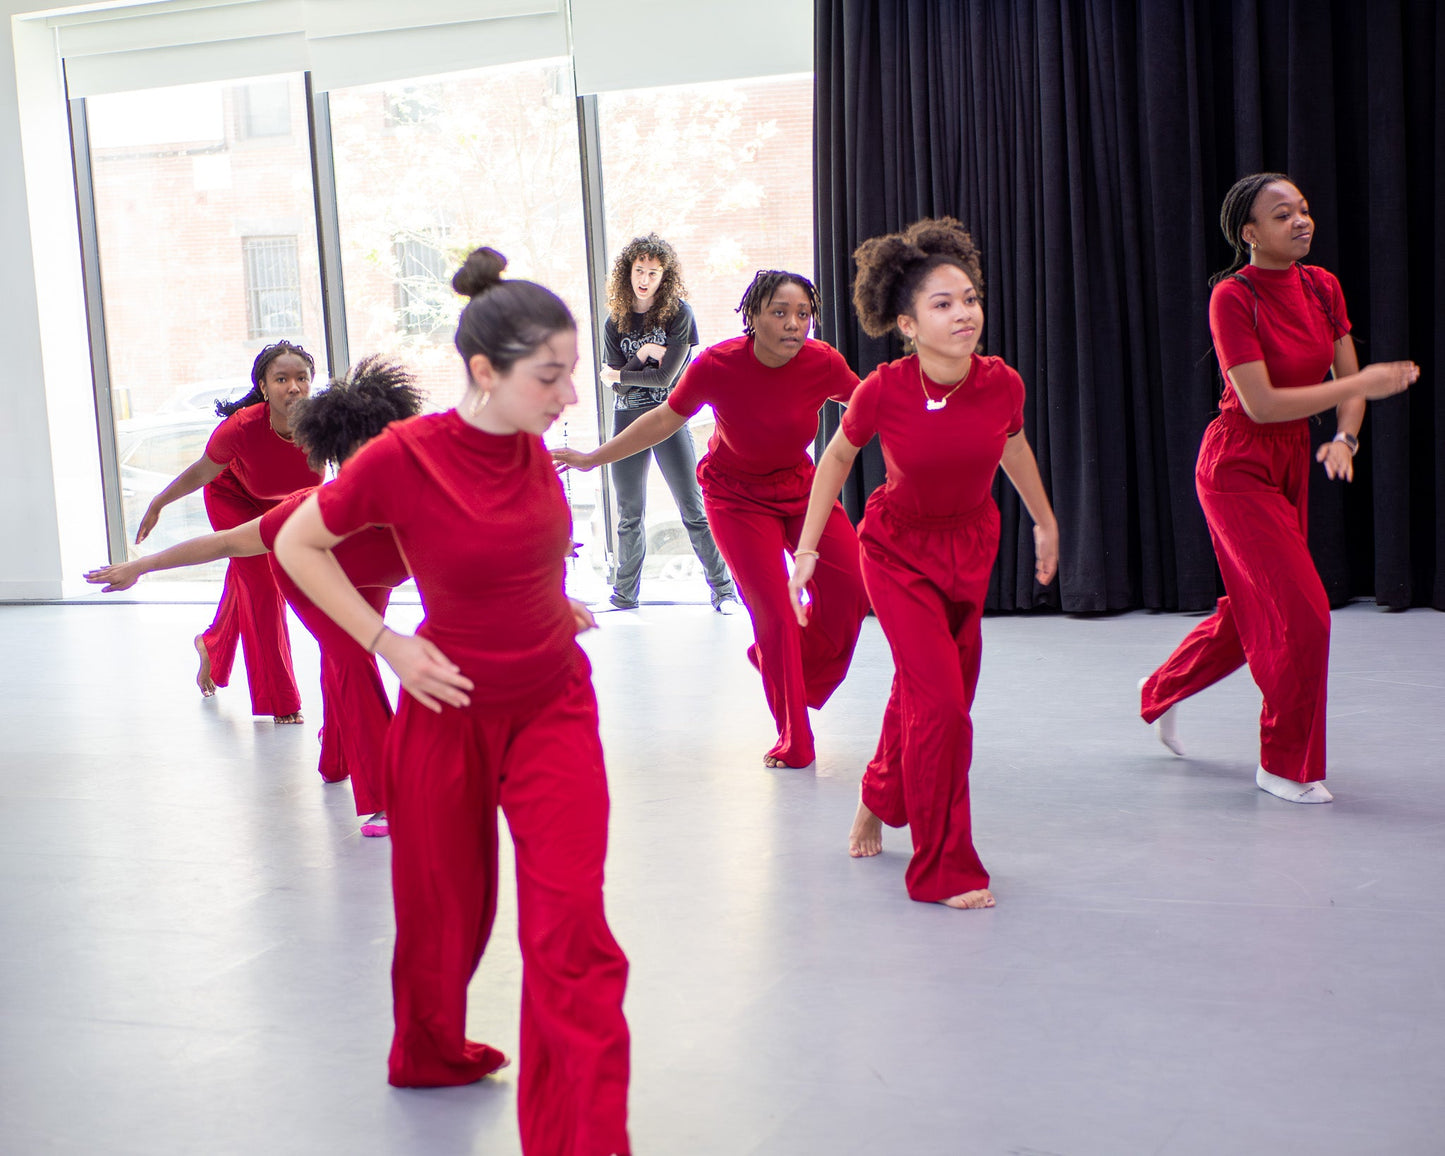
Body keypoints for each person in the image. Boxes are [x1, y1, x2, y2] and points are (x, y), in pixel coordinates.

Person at [274, 248, 630, 1153]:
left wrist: (553, 602)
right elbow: (298, 547)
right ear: (485, 372)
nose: (567, 396)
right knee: (444, 913)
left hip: (552, 702)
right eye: (550, 376)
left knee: (571, 935)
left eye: (569, 374)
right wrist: (386, 642)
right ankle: (428, 1048)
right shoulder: (403, 458)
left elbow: (515, 552)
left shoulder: (532, 445)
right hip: (448, 711)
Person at [788, 218, 1059, 910]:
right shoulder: (883, 388)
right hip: (895, 552)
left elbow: (1013, 448)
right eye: (942, 304)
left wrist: (1043, 519)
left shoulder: (1001, 384)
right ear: (905, 324)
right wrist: (810, 548)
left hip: (970, 547)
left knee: (931, 695)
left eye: (968, 298)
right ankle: (944, 868)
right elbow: (838, 458)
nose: (963, 312)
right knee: (940, 707)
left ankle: (877, 795)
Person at [1139, 173, 1418, 803]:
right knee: (1304, 611)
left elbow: (1348, 380)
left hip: (1292, 460)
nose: (1301, 221)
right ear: (1249, 233)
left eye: (1304, 210)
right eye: (1282, 214)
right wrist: (1358, 388)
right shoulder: (1232, 298)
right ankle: (1285, 764)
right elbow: (1261, 404)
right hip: (1236, 462)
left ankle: (1159, 688)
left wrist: (1345, 438)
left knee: (1251, 610)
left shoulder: (1322, 287)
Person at [85, 358, 422, 837]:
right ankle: (388, 797)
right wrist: (141, 565)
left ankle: (337, 753)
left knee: (348, 660)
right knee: (351, 653)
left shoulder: (427, 495)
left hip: (374, 575)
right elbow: (224, 542)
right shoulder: (306, 514)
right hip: (309, 576)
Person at [556, 270, 871, 770]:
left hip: (800, 488)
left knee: (853, 586)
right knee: (776, 611)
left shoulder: (822, 362)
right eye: (780, 313)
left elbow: (867, 402)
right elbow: (663, 419)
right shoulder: (718, 364)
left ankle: (781, 663)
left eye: (803, 315)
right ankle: (795, 736)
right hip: (736, 498)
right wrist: (595, 458)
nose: (794, 325)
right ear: (752, 318)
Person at [134, 342, 323, 722]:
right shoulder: (241, 427)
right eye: (282, 379)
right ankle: (281, 701)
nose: (294, 387)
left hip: (280, 504)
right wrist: (158, 502)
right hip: (232, 497)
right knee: (265, 586)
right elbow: (202, 472)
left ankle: (211, 645)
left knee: (249, 581)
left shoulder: (322, 426)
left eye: (302, 378)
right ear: (264, 387)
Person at [600, 233, 736, 611]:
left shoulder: (680, 314)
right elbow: (619, 391)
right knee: (629, 512)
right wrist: (645, 354)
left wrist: (624, 372)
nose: (644, 279)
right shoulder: (615, 321)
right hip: (626, 418)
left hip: (669, 417)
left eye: (653, 272)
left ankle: (724, 591)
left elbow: (667, 380)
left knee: (692, 508)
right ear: (628, 273)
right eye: (639, 270)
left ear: (665, 277)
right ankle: (624, 596)